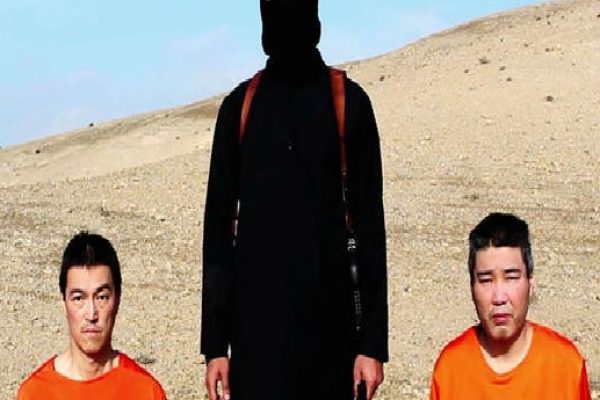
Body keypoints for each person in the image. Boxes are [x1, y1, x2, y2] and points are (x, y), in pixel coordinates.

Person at [201, 1, 388, 399]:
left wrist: (372, 345)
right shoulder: (238, 109)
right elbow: (218, 232)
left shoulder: (348, 103)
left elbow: (370, 228)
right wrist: (215, 346)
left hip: (334, 344)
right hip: (256, 346)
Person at [429, 212, 591, 400]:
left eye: (511, 278)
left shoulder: (566, 366)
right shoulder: (451, 369)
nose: (499, 298)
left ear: (530, 284)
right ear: (472, 288)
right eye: (486, 280)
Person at [16, 232, 166, 400]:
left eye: (101, 297)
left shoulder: (145, 391)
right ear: (64, 303)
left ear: (117, 300)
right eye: (78, 298)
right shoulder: (35, 393)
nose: (91, 314)